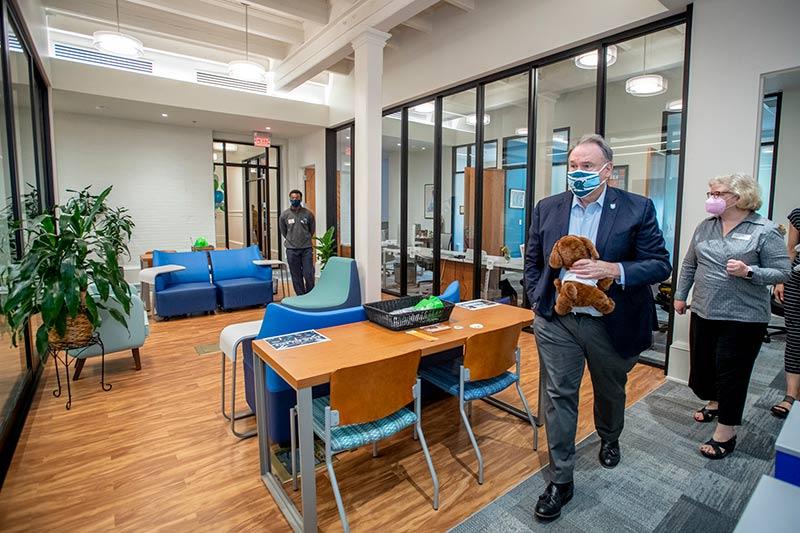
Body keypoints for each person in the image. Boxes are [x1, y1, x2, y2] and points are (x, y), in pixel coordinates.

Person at [525, 134, 671, 522]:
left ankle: (609, 437)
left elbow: (659, 263)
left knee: (610, 389)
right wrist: (537, 298)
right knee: (559, 395)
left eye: (587, 166)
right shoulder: (548, 207)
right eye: (572, 165)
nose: (578, 172)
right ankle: (561, 479)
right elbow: (534, 259)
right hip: (558, 321)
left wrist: (613, 269)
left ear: (607, 171)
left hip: (610, 322)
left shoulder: (636, 209)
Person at [674, 174, 790, 459]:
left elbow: (783, 272)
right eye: (709, 192)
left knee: (732, 373)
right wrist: (680, 295)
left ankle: (726, 432)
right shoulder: (706, 226)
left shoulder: (765, 230)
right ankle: (715, 403)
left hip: (743, 318)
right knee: (705, 367)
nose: (711, 198)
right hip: (704, 310)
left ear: (739, 197)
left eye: (717, 193)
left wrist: (750, 272)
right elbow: (690, 263)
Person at [770, 208, 800, 418]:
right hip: (797, 282)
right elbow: (790, 250)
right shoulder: (798, 215)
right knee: (796, 337)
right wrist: (781, 280)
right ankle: (791, 395)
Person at [279, 189, 316, 296]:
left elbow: (311, 230)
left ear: (301, 199)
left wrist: (305, 238)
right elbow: (284, 231)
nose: (295, 200)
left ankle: (310, 295)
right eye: (293, 198)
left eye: (297, 198)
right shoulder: (284, 215)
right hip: (291, 249)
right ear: (290, 199)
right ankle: (300, 296)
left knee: (309, 273)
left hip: (306, 249)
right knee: (296, 275)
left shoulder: (308, 214)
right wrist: (292, 239)